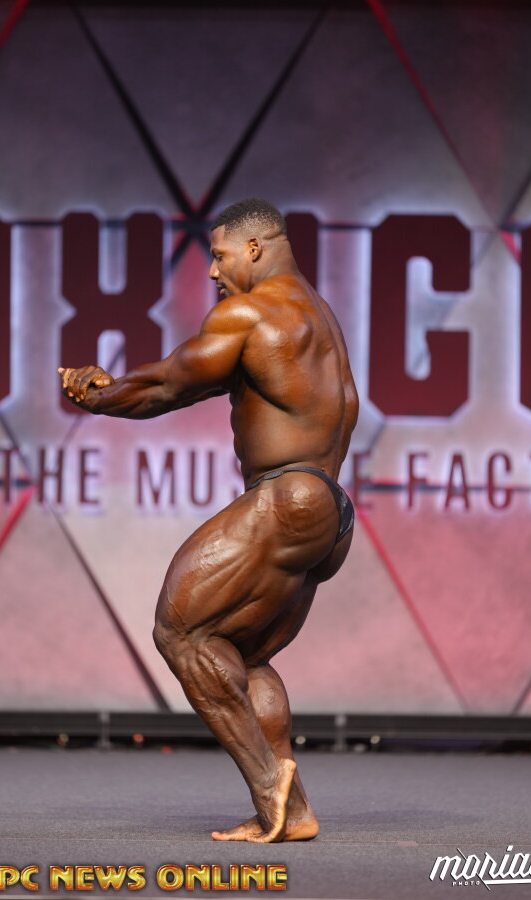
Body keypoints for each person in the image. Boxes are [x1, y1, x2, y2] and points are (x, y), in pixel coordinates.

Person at [58, 198, 359, 843]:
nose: (215, 272)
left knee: (181, 631)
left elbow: (170, 384)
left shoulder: (253, 312)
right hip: (330, 514)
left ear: (254, 248)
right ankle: (294, 811)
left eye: (219, 256)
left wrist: (99, 394)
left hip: (290, 498)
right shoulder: (320, 318)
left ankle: (267, 787)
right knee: (238, 655)